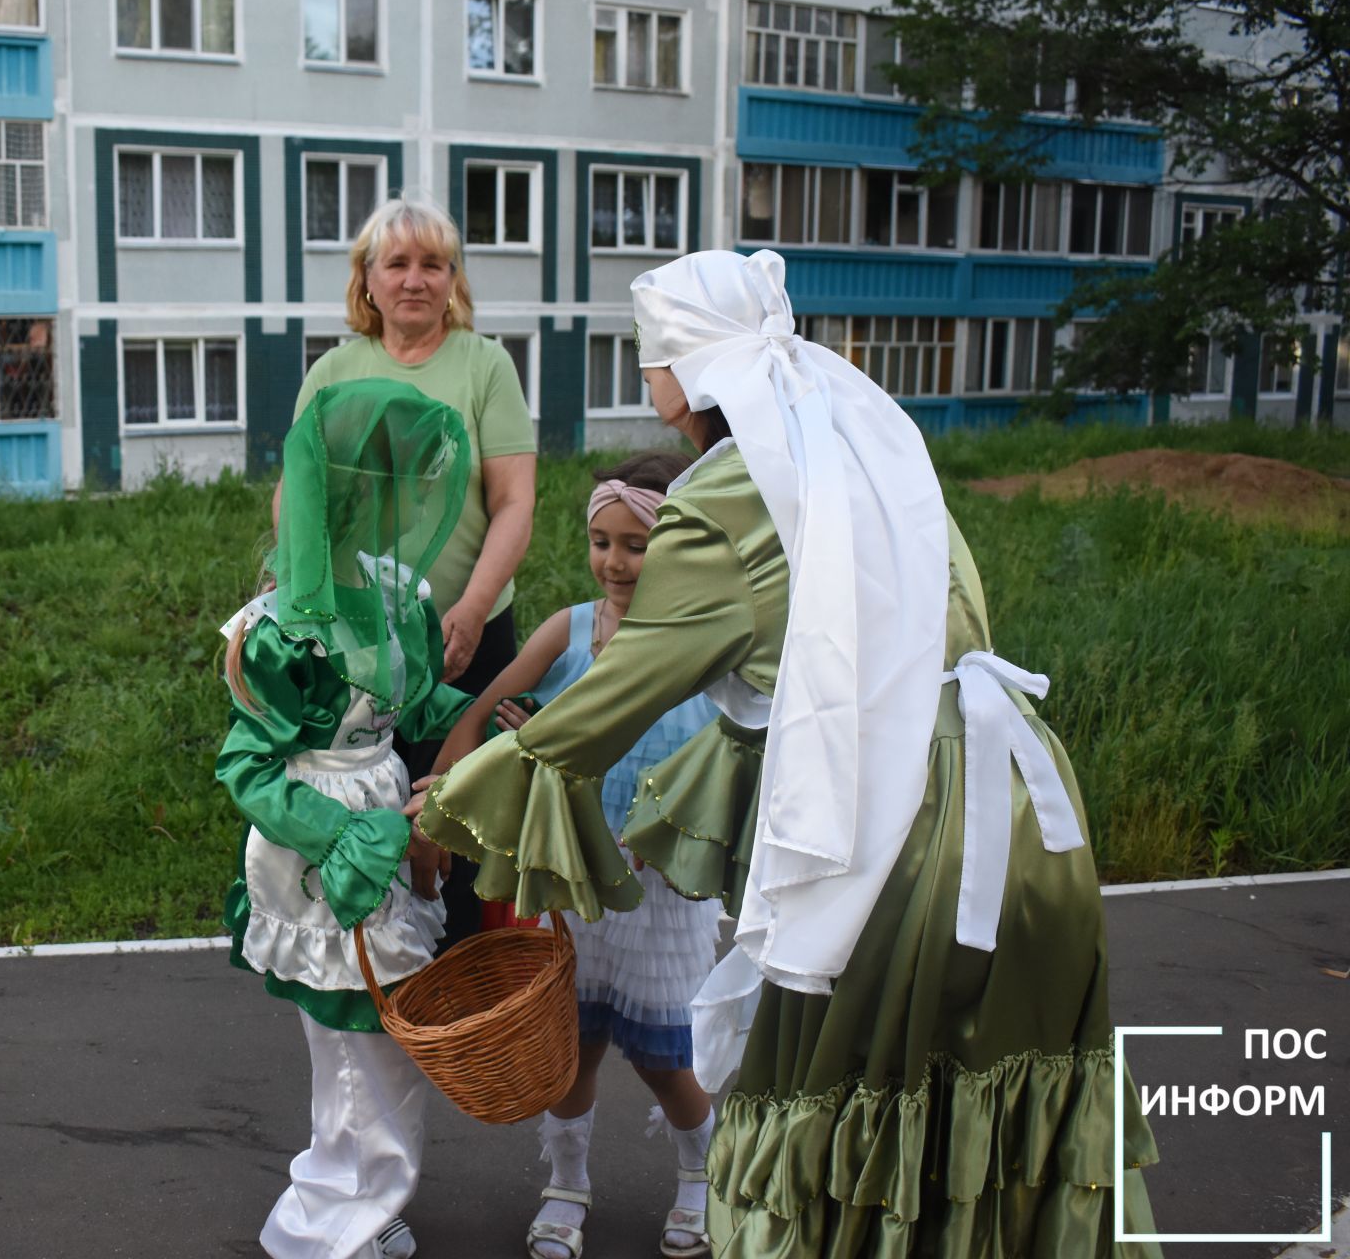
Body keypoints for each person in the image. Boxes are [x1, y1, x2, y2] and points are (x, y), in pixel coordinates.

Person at [416, 250, 1163, 1256]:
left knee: (841, 1129)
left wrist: (447, 804)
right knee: (985, 1135)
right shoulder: (865, 446)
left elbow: (597, 714)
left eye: (644, 358)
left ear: (679, 368)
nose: (644, 384)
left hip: (894, 835)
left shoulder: (719, 501)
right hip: (1021, 811)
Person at [420, 450, 724, 1259]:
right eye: (601, 541)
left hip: (663, 892)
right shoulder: (571, 629)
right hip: (574, 881)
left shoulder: (705, 641)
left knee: (665, 1056)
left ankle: (702, 1173)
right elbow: (484, 712)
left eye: (636, 543)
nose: (615, 562)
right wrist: (447, 795)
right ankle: (566, 1184)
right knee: (571, 1048)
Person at [219, 379, 475, 1259]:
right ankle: (335, 1215)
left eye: (387, 483)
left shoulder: (396, 591)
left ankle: (350, 1200)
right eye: (359, 482)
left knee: (380, 1032)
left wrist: (479, 714)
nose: (377, 499)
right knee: (356, 1032)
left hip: (385, 826)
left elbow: (407, 702)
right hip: (320, 842)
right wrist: (337, 836)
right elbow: (246, 765)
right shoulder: (276, 628)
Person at [291, 195, 537, 949]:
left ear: (453, 279)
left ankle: (470, 1000)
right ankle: (383, 990)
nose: (414, 279)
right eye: (396, 263)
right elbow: (298, 499)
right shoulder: (334, 370)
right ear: (367, 280)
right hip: (358, 646)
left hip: (471, 636)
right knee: (370, 816)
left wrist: (473, 606)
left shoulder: (485, 364)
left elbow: (514, 502)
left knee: (463, 820)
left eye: (433, 263)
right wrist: (298, 596)